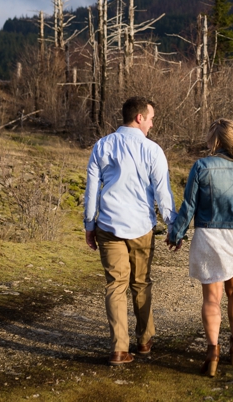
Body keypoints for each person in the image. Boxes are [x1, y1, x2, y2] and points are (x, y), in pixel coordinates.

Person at [166, 118, 233, 377]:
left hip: (209, 235)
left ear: (218, 140)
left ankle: (212, 353)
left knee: (212, 298)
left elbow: (189, 207)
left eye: (211, 138)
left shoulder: (201, 166)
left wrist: (176, 235)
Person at [82, 96, 174, 366]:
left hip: (107, 226)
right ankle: (144, 341)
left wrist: (90, 224)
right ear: (139, 118)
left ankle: (119, 350)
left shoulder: (102, 145)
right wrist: (173, 226)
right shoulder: (152, 150)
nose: (152, 124)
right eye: (151, 118)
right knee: (141, 283)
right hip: (141, 228)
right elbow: (163, 194)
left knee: (115, 286)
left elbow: (91, 190)